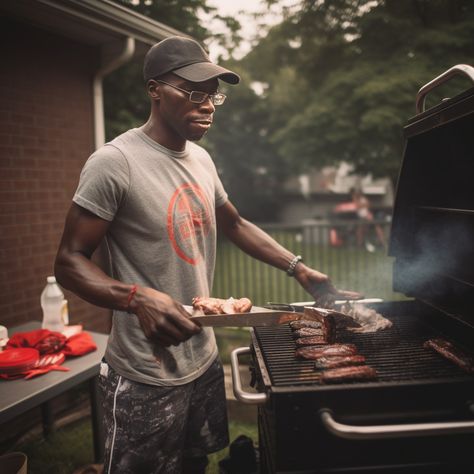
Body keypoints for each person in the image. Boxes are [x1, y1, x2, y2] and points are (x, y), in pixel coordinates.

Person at [54, 36, 360, 474]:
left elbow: (234, 223)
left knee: (196, 464)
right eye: (193, 91)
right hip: (146, 371)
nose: (209, 104)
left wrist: (300, 269)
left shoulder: (201, 159)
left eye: (213, 93)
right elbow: (68, 260)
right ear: (155, 89)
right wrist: (135, 297)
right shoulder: (115, 162)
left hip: (202, 356)